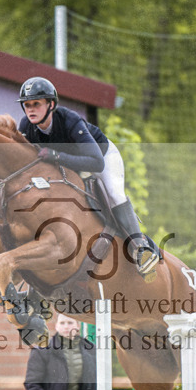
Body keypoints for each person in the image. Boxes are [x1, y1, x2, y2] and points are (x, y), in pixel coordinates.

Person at [16, 76, 159, 281]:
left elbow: (96, 162)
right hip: (71, 167)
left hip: (102, 158)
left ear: (51, 104)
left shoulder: (69, 120)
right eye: (27, 105)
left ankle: (140, 248)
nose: (30, 110)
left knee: (114, 194)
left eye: (36, 104)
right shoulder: (26, 127)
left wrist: (57, 156)